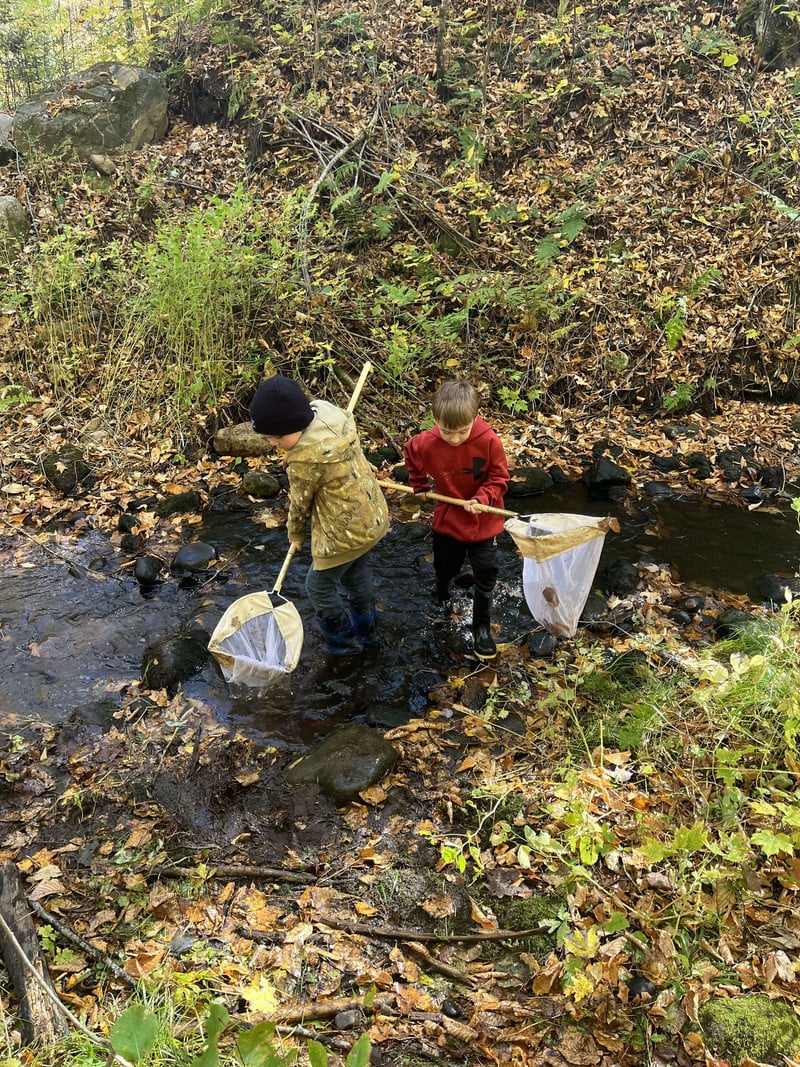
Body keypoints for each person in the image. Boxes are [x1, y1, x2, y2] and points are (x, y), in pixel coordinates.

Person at [250, 373, 389, 656]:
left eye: (275, 437)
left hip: (345, 533)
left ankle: (342, 644)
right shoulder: (333, 418)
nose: (273, 443)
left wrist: (295, 533)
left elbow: (300, 504)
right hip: (373, 517)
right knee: (355, 575)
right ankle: (369, 632)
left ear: (291, 428)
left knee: (318, 587)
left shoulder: (305, 460)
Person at [403, 379, 509, 660]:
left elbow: (500, 479)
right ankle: (442, 592)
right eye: (447, 431)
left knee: (485, 571)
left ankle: (481, 628)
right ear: (436, 420)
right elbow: (411, 453)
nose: (454, 438)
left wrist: (483, 499)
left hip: (483, 521)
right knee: (445, 565)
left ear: (475, 418)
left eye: (461, 432)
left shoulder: (489, 441)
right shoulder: (426, 441)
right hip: (449, 518)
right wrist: (419, 484)